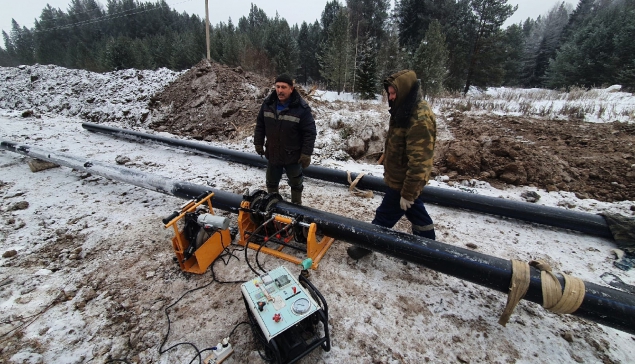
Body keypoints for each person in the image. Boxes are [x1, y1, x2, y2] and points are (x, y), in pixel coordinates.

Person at [347, 69, 437, 260]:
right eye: (389, 93)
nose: (391, 97)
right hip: (399, 177)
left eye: (394, 93)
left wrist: (407, 192)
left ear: (405, 91)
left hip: (404, 181)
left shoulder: (418, 118)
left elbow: (420, 162)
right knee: (416, 212)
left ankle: (367, 243)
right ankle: (429, 248)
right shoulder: (404, 108)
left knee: (384, 216)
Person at [253, 74, 317, 205]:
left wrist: (306, 154)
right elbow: (260, 125)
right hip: (273, 153)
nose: (280, 90)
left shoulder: (301, 109)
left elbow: (310, 132)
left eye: (283, 87)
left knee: (296, 182)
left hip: (292, 155)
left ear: (291, 89)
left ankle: (296, 207)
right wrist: (258, 142)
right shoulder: (268, 104)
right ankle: (272, 206)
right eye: (277, 87)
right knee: (271, 182)